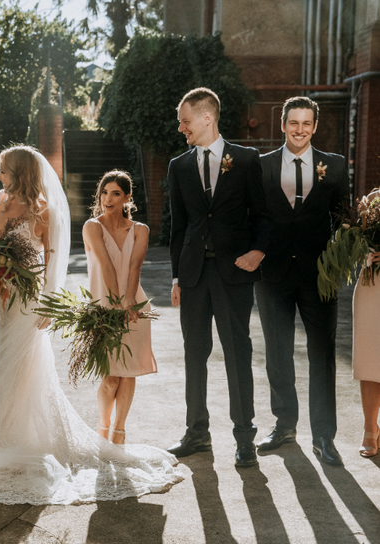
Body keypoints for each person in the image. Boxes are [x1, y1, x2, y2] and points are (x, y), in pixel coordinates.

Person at [0, 146, 182, 505]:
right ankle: (2, 437)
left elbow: (50, 261)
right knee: (5, 362)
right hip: (5, 297)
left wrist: (47, 302)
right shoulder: (0, 199)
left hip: (30, 298)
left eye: (3, 170)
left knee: (25, 363)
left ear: (19, 172)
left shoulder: (43, 211)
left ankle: (29, 439)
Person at [167, 88, 270, 468]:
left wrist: (258, 251)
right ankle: (197, 433)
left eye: (185, 120)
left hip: (233, 274)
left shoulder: (245, 159)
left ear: (207, 117)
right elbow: (179, 228)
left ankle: (245, 438)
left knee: (237, 354)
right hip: (194, 274)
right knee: (195, 354)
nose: (181, 128)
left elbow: (262, 215)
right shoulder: (178, 166)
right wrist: (177, 276)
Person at [254, 97, 349, 466]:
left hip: (319, 275)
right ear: (282, 124)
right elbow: (253, 217)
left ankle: (324, 436)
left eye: (306, 123)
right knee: (277, 353)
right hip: (272, 274)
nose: (299, 129)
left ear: (314, 126)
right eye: (293, 122)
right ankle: (284, 425)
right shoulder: (261, 166)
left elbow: (343, 219)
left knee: (322, 354)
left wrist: (346, 258)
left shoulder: (335, 166)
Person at [82, 170, 157, 445]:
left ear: (127, 197)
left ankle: (119, 433)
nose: (108, 198)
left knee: (128, 375)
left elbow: (134, 266)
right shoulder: (92, 226)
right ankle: (102, 430)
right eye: (104, 192)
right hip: (104, 310)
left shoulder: (140, 230)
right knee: (110, 377)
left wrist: (128, 300)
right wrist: (116, 304)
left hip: (135, 308)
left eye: (115, 193)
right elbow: (106, 265)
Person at [352, 189, 380, 458]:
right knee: (370, 357)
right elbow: (356, 244)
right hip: (374, 283)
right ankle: (370, 427)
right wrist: (364, 255)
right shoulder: (372, 200)